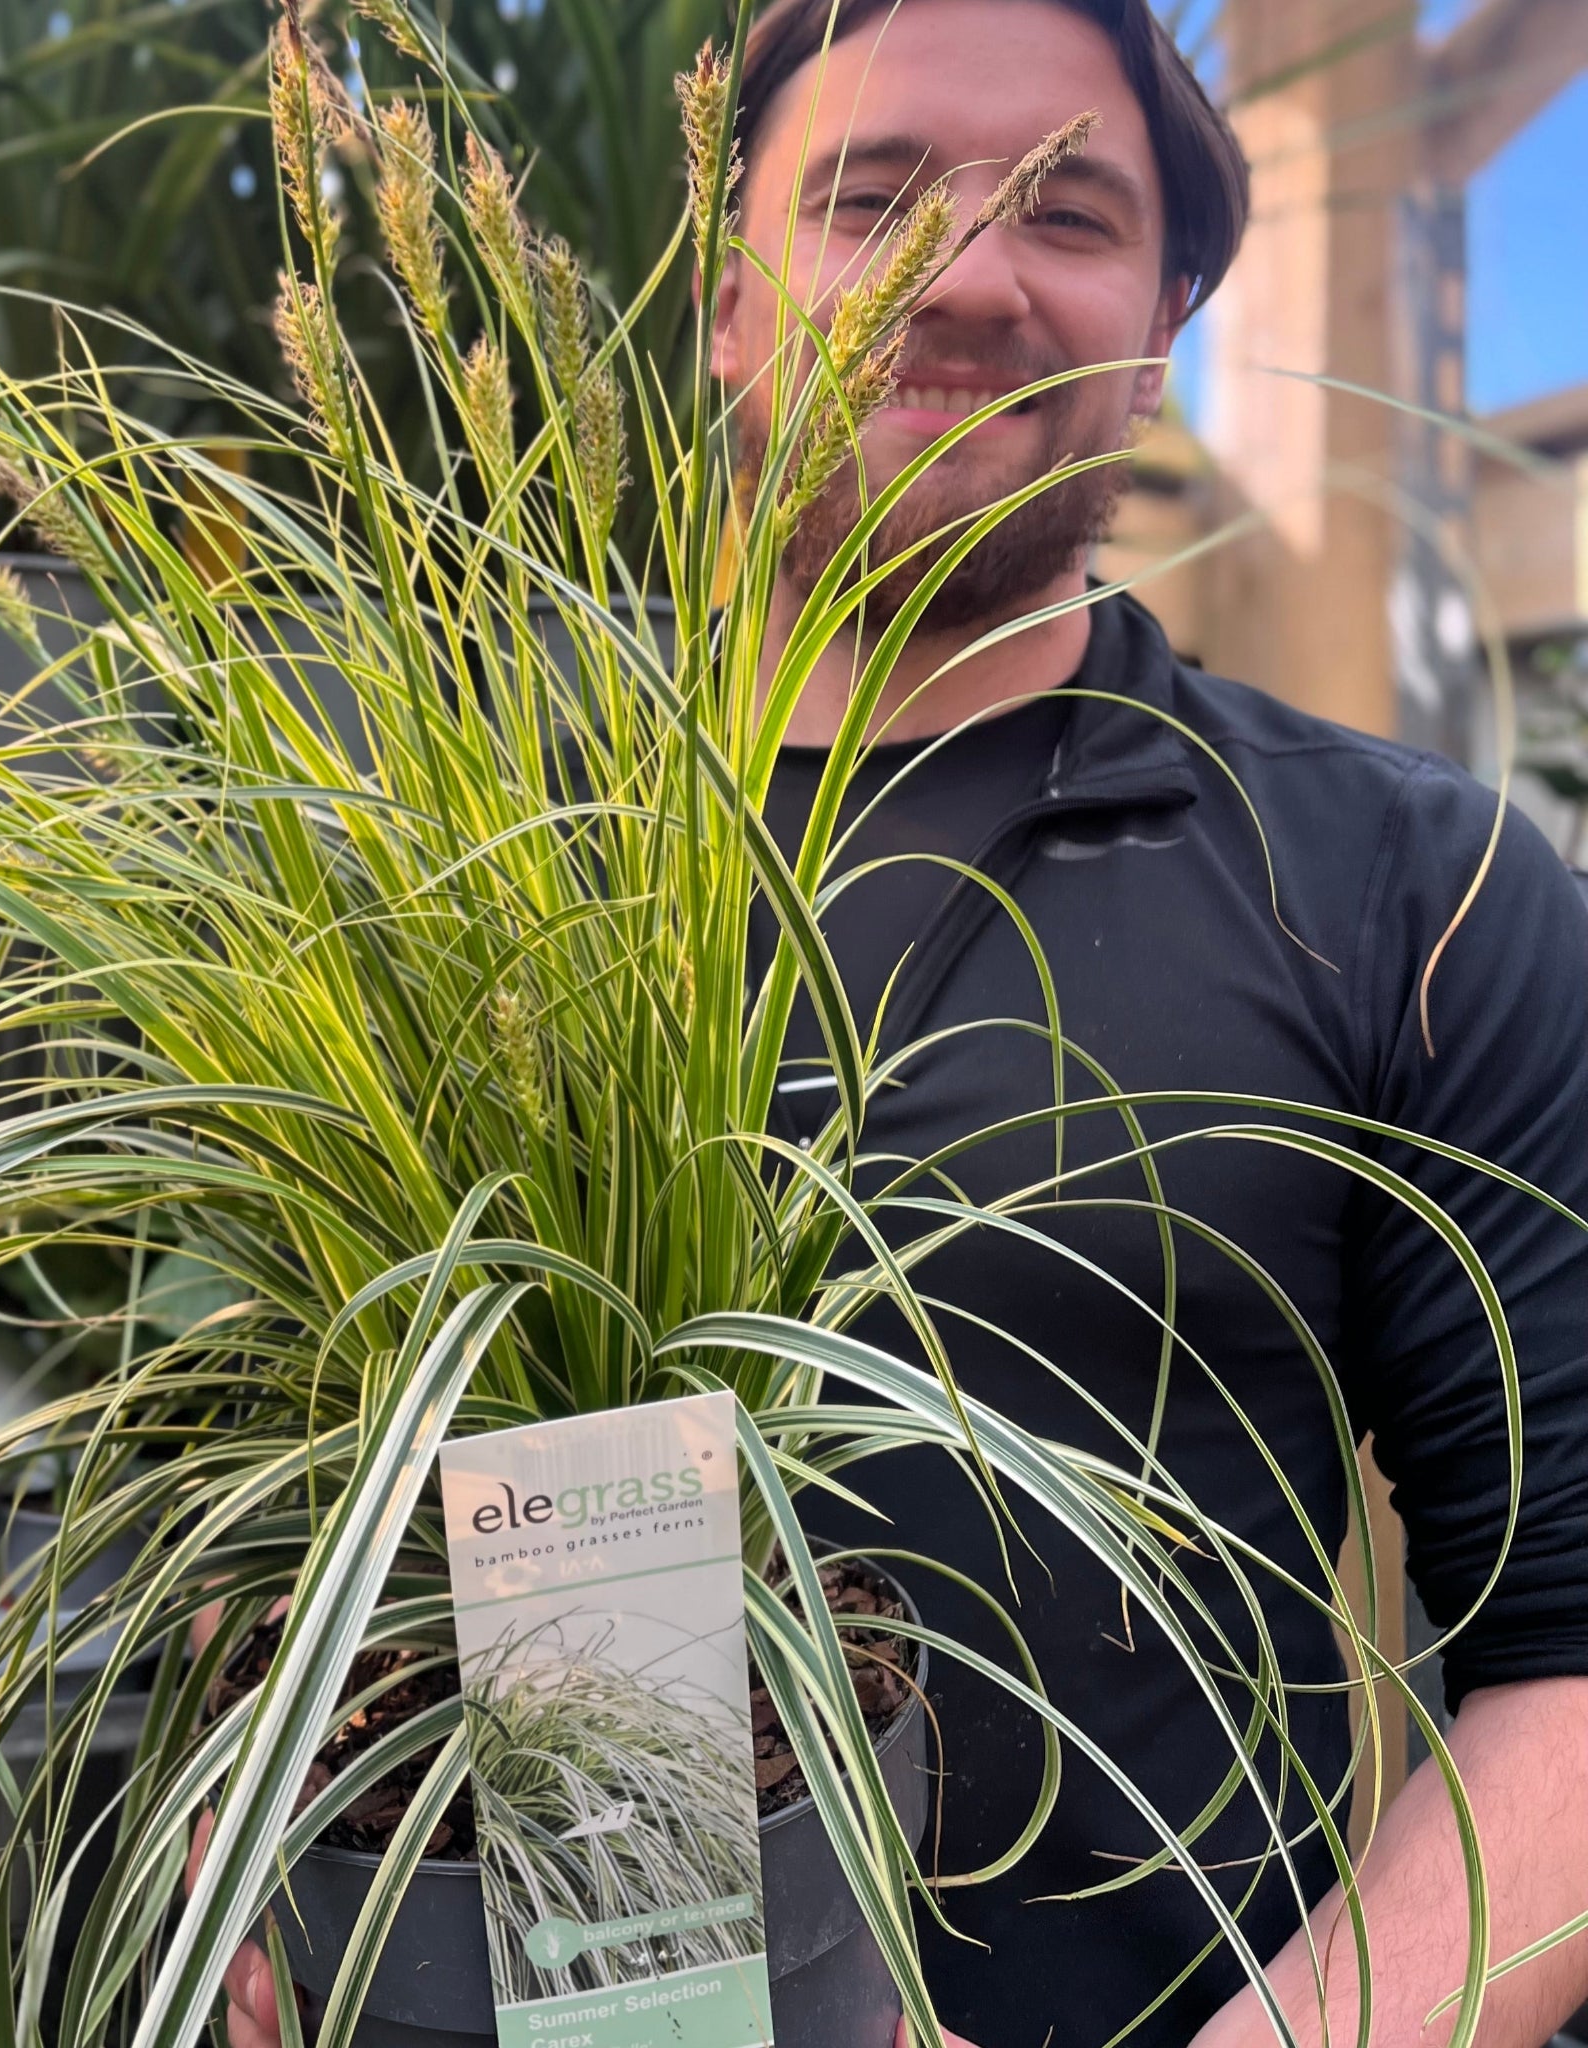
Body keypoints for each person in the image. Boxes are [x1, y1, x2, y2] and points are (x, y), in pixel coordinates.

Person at [215, 0, 1588, 2042]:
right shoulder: (458, 867)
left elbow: (1571, 1656)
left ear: (1162, 327)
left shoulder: (1404, 883)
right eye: (869, 200)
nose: (963, 275)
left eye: (1069, 213)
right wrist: (255, 1871)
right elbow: (264, 1527)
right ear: (724, 294)